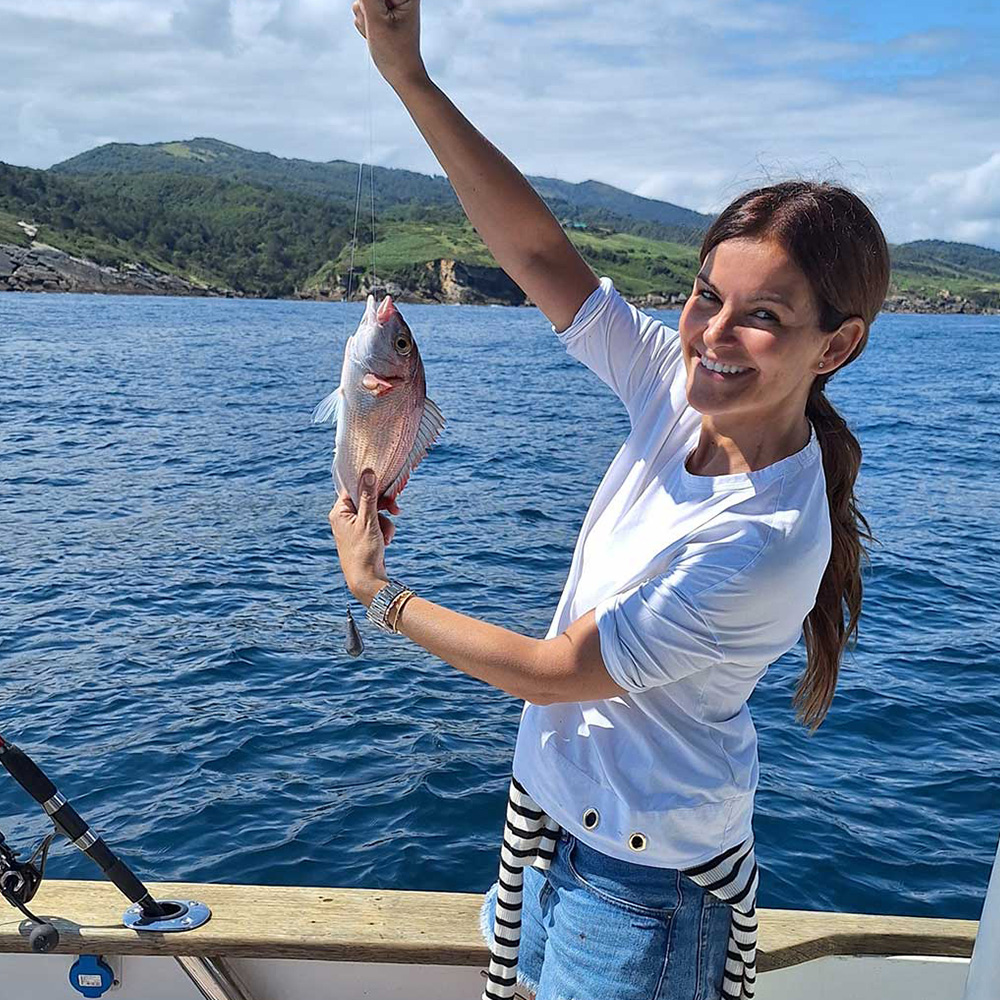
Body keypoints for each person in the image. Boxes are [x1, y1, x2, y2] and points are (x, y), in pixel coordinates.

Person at [330, 2, 891, 998]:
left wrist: (381, 594)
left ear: (835, 344)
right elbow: (542, 258)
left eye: (762, 316)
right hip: (558, 839)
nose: (714, 334)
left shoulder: (763, 535)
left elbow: (554, 672)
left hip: (644, 887)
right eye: (705, 295)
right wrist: (408, 78)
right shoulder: (675, 384)